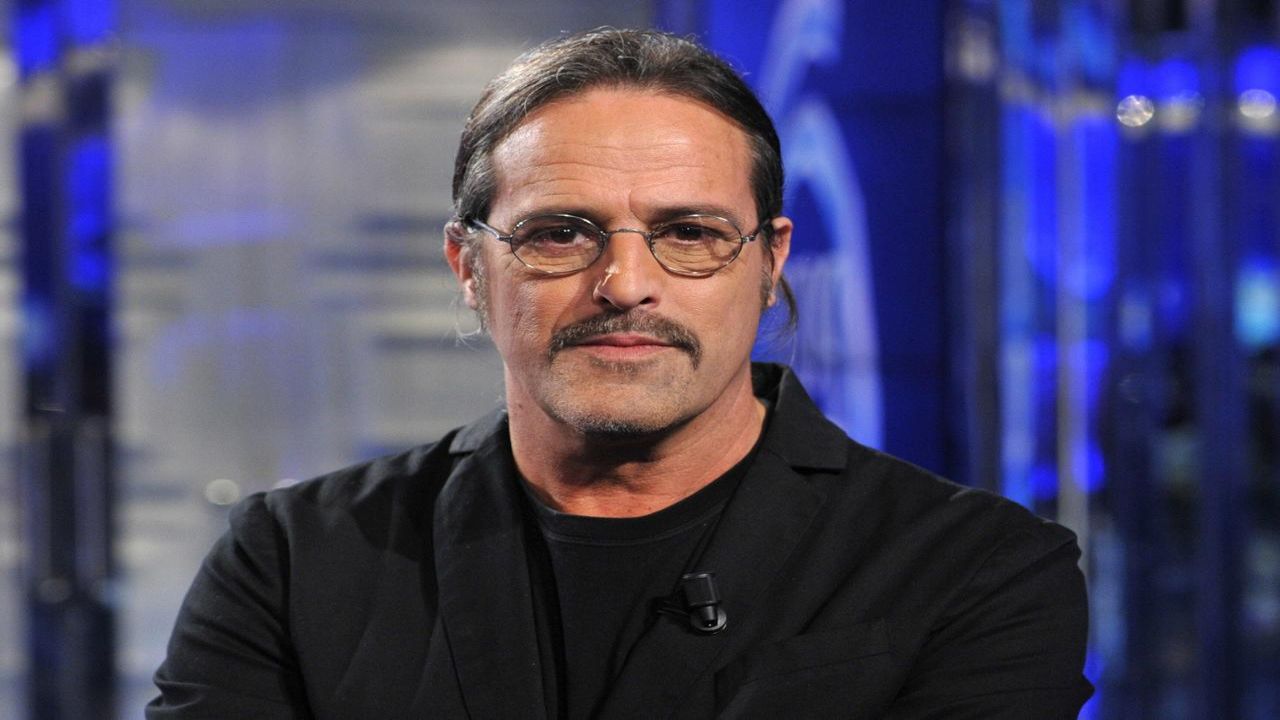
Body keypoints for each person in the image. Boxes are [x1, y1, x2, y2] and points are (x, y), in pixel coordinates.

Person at [147, 27, 1091, 719]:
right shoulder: (294, 561)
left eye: (691, 233)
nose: (625, 284)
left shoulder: (975, 572)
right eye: (560, 233)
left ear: (770, 263)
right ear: (468, 267)